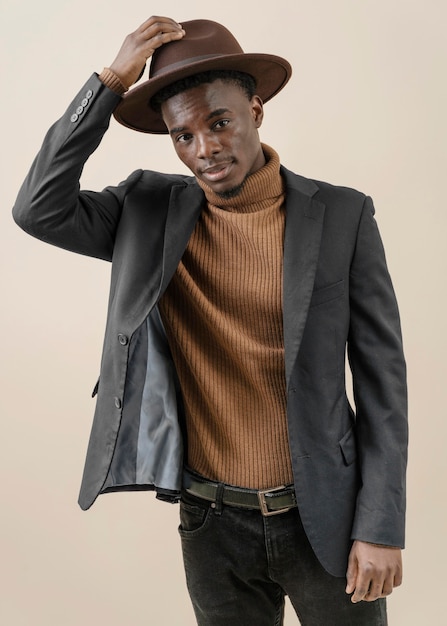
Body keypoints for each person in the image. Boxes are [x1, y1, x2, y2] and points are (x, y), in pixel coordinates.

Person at [12, 16, 408, 626]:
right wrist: (110, 81)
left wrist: (380, 525)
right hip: (210, 521)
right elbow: (38, 208)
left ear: (255, 110)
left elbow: (384, 385)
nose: (205, 149)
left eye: (219, 123)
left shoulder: (343, 215)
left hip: (324, 514)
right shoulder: (145, 210)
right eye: (183, 135)